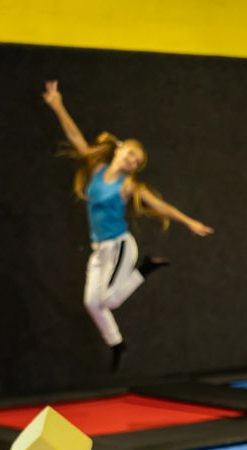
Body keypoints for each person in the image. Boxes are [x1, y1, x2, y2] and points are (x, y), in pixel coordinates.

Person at [42, 80, 214, 370]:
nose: (134, 161)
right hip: (100, 250)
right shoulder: (96, 170)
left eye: (138, 162)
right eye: (132, 154)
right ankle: (117, 344)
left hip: (120, 245)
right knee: (91, 303)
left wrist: (188, 221)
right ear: (119, 151)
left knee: (110, 301)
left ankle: (145, 267)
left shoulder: (129, 185)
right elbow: (75, 138)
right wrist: (58, 105)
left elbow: (160, 205)